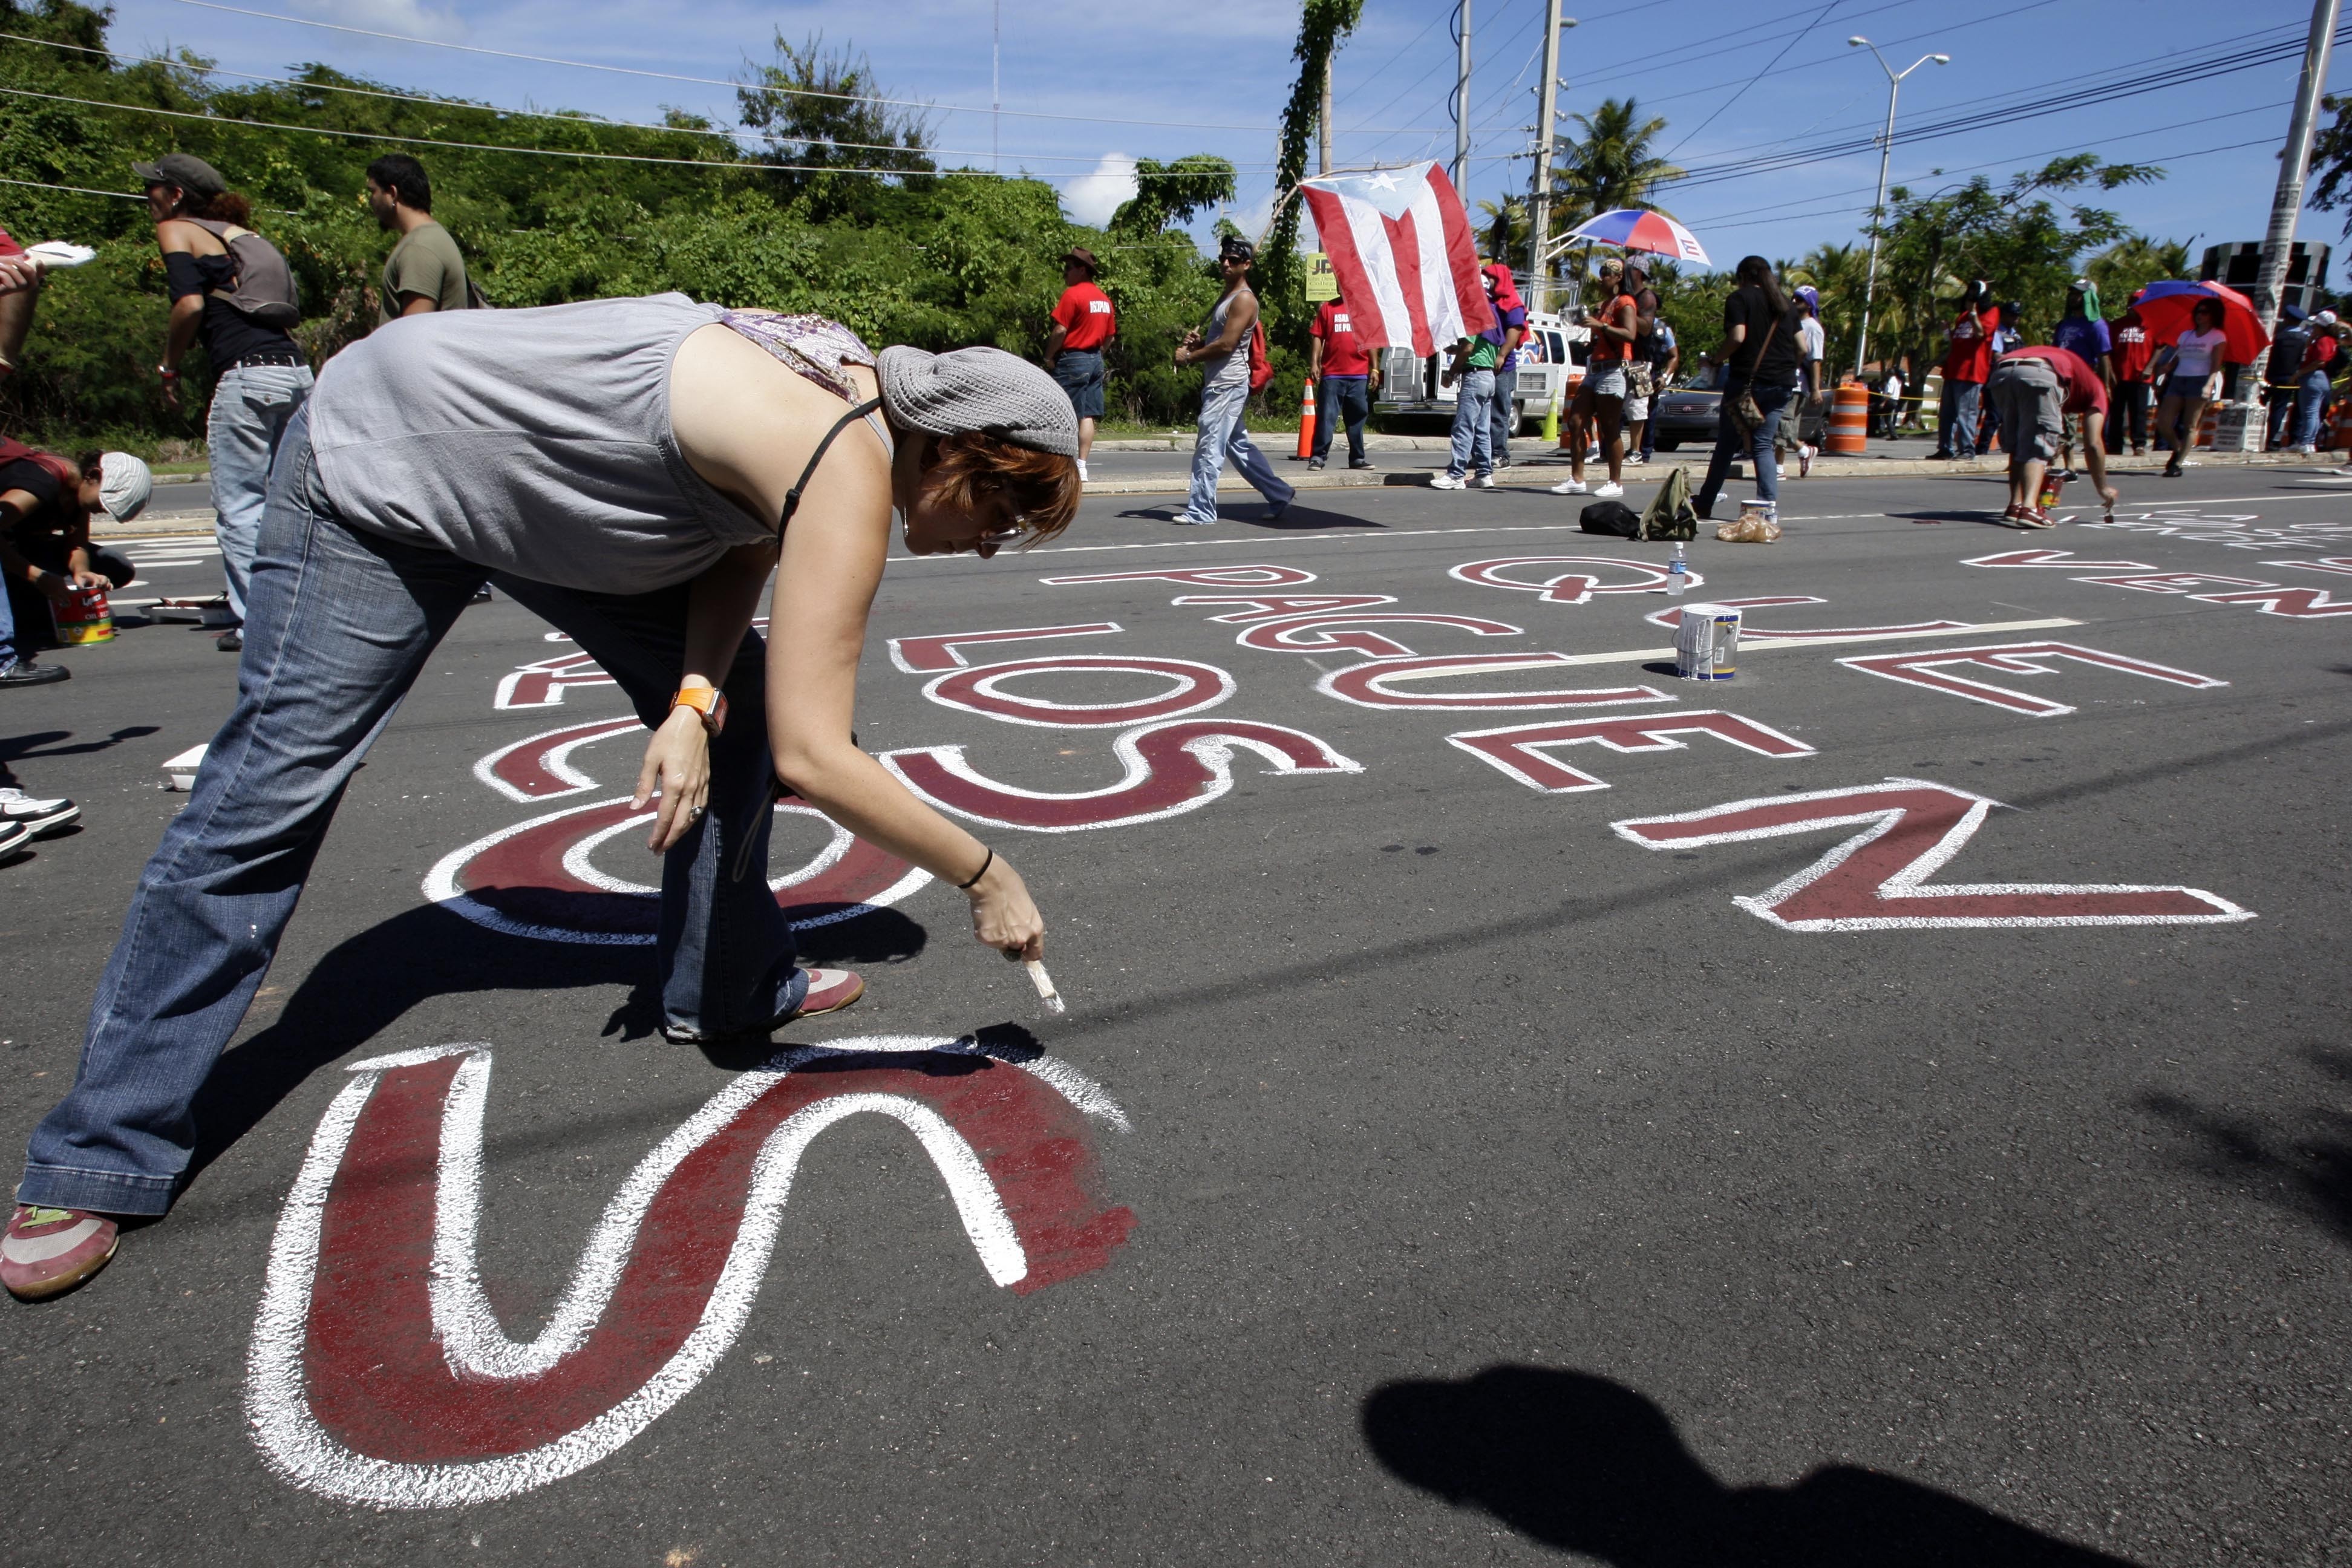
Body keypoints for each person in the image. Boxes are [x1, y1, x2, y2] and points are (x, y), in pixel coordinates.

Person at [2, 292, 1082, 1302]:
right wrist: (985, 872)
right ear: (947, 449)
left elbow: (745, 543)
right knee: (266, 796)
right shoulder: (843, 458)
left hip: (540, 509)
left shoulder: (844, 401)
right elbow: (814, 753)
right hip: (381, 467)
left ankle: (725, 984)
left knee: (741, 708)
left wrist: (693, 699)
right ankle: (100, 1147)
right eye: (998, 511)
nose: (990, 542)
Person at [140, 151, 312, 655]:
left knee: (240, 506)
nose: (146, 198)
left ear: (175, 194)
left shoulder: (178, 228)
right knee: (292, 505)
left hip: (246, 375)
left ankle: (258, 621)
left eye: (152, 189)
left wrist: (170, 364)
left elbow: (189, 303)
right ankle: (299, 609)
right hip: (296, 373)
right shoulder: (243, 235)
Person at [1172, 236, 1292, 525]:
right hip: (1220, 381)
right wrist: (1199, 342)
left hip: (1228, 384)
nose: (1226, 263)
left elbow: (1227, 345)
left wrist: (1189, 357)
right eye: (1223, 258)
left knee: (1209, 445)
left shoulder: (1244, 300)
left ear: (1247, 265)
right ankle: (1279, 492)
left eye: (1234, 260)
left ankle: (1201, 510)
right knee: (1237, 446)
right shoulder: (1227, 298)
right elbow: (1219, 342)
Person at [1, 443, 150, 659]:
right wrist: (37, 577)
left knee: (116, 567)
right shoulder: (43, 482)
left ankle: (31, 609)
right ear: (93, 476)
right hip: (8, 550)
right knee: (38, 601)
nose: (101, 511)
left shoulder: (79, 492)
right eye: (103, 502)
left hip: (22, 547)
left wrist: (81, 571)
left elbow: (77, 544)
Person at [1691, 256, 1804, 521]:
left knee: (1727, 445)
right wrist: (1785, 368)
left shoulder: (1739, 299)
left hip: (1747, 385)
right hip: (1781, 384)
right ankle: (1768, 509)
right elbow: (1803, 348)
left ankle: (1705, 503)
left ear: (1742, 276)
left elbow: (1738, 337)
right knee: (1764, 445)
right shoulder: (1785, 304)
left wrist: (1716, 361)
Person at [1983, 343, 2117, 526]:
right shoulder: (2099, 392)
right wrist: (2103, 488)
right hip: (2040, 373)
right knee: (2040, 441)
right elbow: (2093, 444)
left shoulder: (2077, 378)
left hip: (2003, 371)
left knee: (2018, 443)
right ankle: (2029, 509)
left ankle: (2015, 504)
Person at [1548, 258, 1635, 498]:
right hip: (1595, 369)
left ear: (1619, 278)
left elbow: (1630, 334)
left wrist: (1602, 326)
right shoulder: (1607, 304)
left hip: (1613, 370)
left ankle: (1615, 481)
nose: (1602, 277)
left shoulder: (1625, 303)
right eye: (1602, 273)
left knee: (1610, 426)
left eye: (1607, 273)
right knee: (1576, 421)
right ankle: (1577, 478)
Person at [366, 154, 471, 322]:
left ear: (392, 193)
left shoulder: (419, 248)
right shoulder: (431, 238)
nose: (370, 201)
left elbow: (414, 335)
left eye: (373, 192)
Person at [1043, 246, 1114, 482]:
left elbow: (1060, 329)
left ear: (1082, 270)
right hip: (1095, 359)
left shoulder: (1073, 295)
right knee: (1088, 415)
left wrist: (1049, 356)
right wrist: (1099, 353)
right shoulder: (1104, 299)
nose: (1065, 273)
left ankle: (1061, 467)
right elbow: (1110, 336)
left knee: (1063, 413)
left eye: (1069, 268)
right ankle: (1082, 466)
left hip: (1073, 358)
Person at [2153, 296, 2230, 479]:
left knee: (2190, 425)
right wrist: (2167, 368)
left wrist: (2209, 385)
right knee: (2163, 422)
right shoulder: (2186, 335)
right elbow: (2177, 357)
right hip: (2179, 379)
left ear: (2213, 315)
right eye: (2197, 312)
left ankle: (2178, 463)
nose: (2199, 316)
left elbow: (2216, 364)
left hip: (2200, 380)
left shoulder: (2218, 336)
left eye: (2204, 312)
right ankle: (2179, 449)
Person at [1307, 287, 1377, 471]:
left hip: (1359, 375)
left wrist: (1375, 369)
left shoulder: (1364, 311)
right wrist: (1315, 363)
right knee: (1326, 418)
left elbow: (1372, 341)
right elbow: (1317, 336)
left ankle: (1357, 458)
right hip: (1333, 374)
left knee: (1357, 420)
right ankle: (1318, 457)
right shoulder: (1328, 308)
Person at [1431, 321, 1502, 490]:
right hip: (1489, 376)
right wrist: (1457, 349)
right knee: (1482, 429)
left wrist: (1452, 371)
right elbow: (1481, 349)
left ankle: (1456, 474)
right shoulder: (1491, 322)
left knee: (1464, 426)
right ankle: (1484, 474)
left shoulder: (1475, 319)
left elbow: (1469, 348)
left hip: (1475, 376)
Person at [1930, 281, 1995, 459]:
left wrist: (1974, 314)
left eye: (1976, 291)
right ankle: (1945, 448)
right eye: (1971, 290)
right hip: (1953, 370)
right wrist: (1946, 332)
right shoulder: (1963, 316)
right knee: (1947, 414)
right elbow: (1956, 340)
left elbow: (1981, 334)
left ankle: (1967, 450)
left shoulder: (1990, 313)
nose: (1972, 294)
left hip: (1971, 372)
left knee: (1966, 414)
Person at [1775, 284, 1826, 478]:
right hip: (1783, 380)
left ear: (1810, 304)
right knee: (1784, 427)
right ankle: (1803, 451)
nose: (1795, 301)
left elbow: (1815, 360)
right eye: (1794, 298)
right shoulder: (1789, 321)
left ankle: (1779, 468)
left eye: (1800, 300)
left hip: (1797, 385)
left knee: (1781, 425)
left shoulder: (1813, 328)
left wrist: (1815, 389)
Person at [1481, 263, 1529, 468]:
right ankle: (1482, 453)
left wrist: (1501, 355)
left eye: (1489, 277)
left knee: (1499, 411)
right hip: (1486, 364)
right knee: (1483, 412)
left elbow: (1516, 330)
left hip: (1503, 367)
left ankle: (1500, 454)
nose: (1487, 281)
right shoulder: (1489, 301)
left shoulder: (1512, 303)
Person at [1618, 259, 1662, 466]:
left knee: (1637, 407)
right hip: (1622, 358)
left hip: (1640, 361)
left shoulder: (1646, 297)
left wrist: (1626, 312)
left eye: (1628, 268)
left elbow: (1645, 328)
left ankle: (1636, 451)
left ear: (1638, 272)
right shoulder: (1624, 297)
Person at [2105, 293, 2155, 456]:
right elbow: (2108, 351)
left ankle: (2139, 444)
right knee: (2116, 412)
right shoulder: (2117, 325)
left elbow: (2161, 347)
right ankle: (2114, 445)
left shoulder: (2152, 325)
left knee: (2138, 411)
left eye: (2137, 304)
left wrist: (2149, 367)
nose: (2132, 307)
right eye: (2131, 303)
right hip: (2119, 375)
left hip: (2141, 375)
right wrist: (2110, 373)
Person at [2262, 305, 2312, 451]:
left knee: (2266, 405)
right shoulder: (2304, 339)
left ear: (2288, 319)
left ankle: (2263, 439)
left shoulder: (2277, 337)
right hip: (2292, 378)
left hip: (2271, 376)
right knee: (2284, 408)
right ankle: (2280, 440)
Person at [2292, 309, 2340, 453]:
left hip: (2313, 377)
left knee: (2310, 412)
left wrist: (2299, 373)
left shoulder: (2324, 340)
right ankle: (2307, 441)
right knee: (2313, 412)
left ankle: (2307, 442)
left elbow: (2319, 361)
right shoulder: (2327, 340)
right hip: (2319, 378)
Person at [1635, 313, 1679, 463]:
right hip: (1629, 371)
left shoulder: (1662, 329)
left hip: (1651, 374)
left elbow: (1674, 356)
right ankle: (1608, 453)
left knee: (1648, 414)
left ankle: (1644, 453)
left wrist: (1665, 377)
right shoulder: (1628, 321)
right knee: (1621, 415)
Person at [1873, 366, 1906, 438]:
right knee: (1888, 419)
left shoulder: (1891, 380)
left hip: (1890, 401)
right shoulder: (1899, 381)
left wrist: (1883, 403)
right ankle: (1893, 434)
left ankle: (1893, 434)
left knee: (1884, 416)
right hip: (1895, 401)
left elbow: (1889, 393)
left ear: (1889, 374)